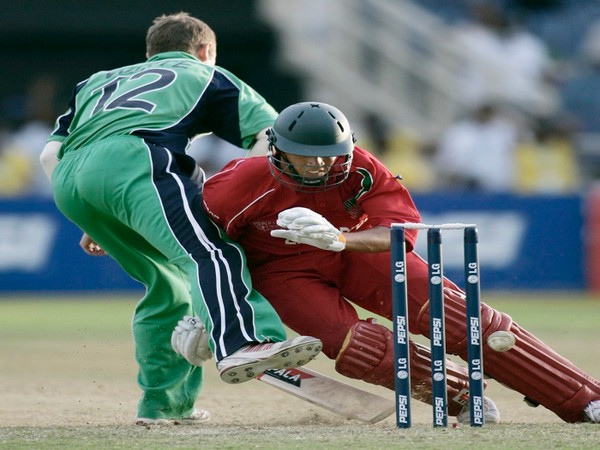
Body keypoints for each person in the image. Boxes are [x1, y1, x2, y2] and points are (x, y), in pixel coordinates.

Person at [183, 101, 599, 424]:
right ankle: (459, 396)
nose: (318, 164)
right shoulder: (237, 184)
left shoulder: (362, 169)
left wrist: (341, 239)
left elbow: (401, 235)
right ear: (277, 149)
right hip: (284, 272)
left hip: (358, 254)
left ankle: (586, 398)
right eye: (304, 156)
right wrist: (210, 313)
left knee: (459, 319)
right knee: (359, 349)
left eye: (329, 154)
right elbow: (197, 246)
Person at [39, 12, 322, 426]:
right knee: (213, 253)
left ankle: (164, 406)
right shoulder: (203, 73)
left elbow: (49, 155)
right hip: (139, 161)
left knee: (168, 285)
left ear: (149, 54)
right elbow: (271, 136)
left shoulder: (96, 81)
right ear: (205, 51)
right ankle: (245, 340)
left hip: (70, 181)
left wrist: (92, 217)